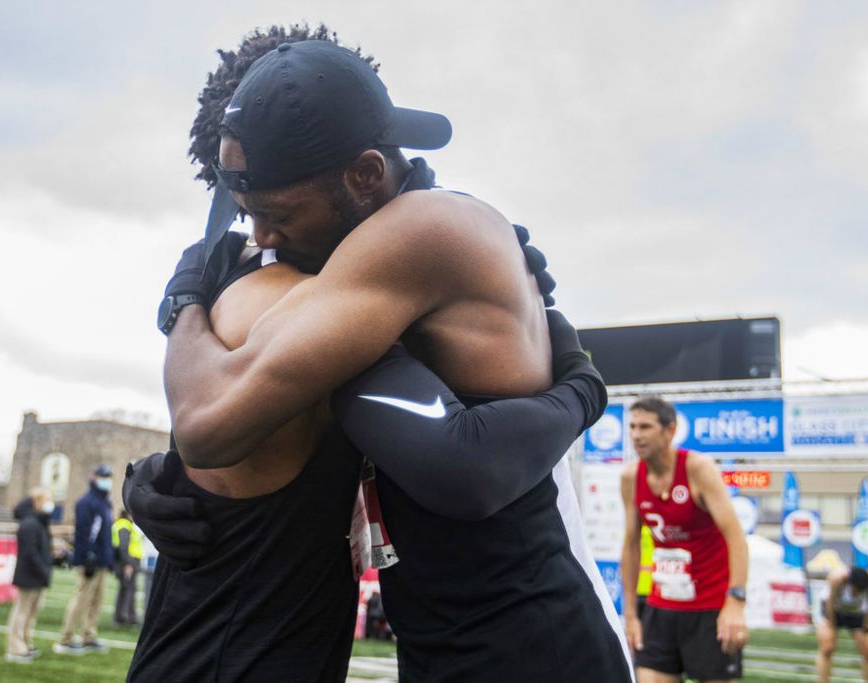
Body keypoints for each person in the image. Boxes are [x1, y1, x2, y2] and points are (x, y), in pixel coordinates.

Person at [125, 25, 631, 683]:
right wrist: (159, 478)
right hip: (454, 641)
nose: (261, 239)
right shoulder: (380, 262)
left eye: (277, 212)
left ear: (365, 171)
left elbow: (465, 465)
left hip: (536, 641)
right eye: (245, 213)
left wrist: (184, 300)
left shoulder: (416, 236)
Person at [620, 396, 748, 683]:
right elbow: (631, 545)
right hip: (660, 606)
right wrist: (630, 614)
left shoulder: (698, 469)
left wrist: (736, 603)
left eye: (645, 427)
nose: (637, 435)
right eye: (632, 427)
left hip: (710, 609)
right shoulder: (630, 477)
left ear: (670, 430)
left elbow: (736, 537)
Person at [55, 464, 114, 655]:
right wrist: (87, 556)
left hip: (102, 560)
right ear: (94, 477)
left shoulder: (105, 502)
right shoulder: (86, 502)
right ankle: (65, 638)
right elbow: (84, 533)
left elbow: (104, 533)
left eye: (108, 476)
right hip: (90, 559)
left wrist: (109, 557)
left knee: (97, 600)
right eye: (103, 476)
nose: (107, 480)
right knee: (82, 599)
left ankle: (89, 635)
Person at [5, 487, 55, 663]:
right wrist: (42, 569)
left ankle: (26, 642)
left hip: (38, 575)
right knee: (22, 611)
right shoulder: (29, 523)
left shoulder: (39, 522)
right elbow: (29, 551)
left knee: (32, 612)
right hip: (28, 575)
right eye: (48, 500)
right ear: (38, 502)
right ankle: (15, 647)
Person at [816, 566, 868, 683]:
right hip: (834, 610)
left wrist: (866, 626)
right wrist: (832, 625)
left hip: (857, 613)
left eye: (860, 591)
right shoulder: (837, 578)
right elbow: (830, 603)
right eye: (856, 589)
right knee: (827, 647)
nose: (857, 593)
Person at [112, 509, 142, 626]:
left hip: (125, 562)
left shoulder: (122, 525)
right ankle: (128, 617)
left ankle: (121, 616)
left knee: (125, 590)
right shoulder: (124, 526)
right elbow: (123, 547)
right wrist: (128, 564)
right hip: (127, 563)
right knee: (129, 590)